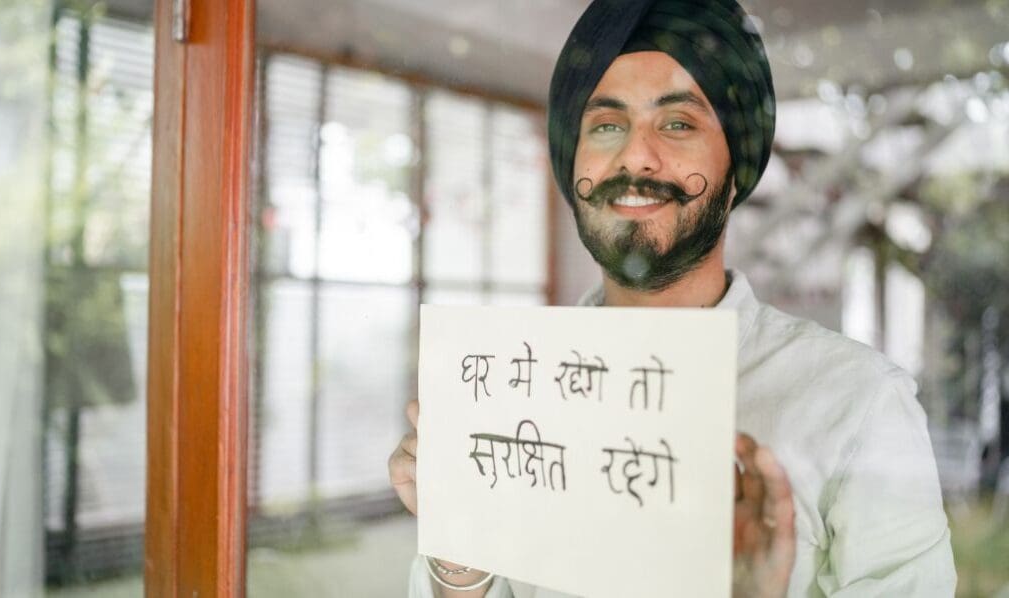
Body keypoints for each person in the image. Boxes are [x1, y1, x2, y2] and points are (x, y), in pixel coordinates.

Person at [389, 0, 956, 596]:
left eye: (678, 124)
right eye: (606, 125)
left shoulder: (860, 403)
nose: (636, 154)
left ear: (736, 165)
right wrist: (460, 556)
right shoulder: (510, 391)